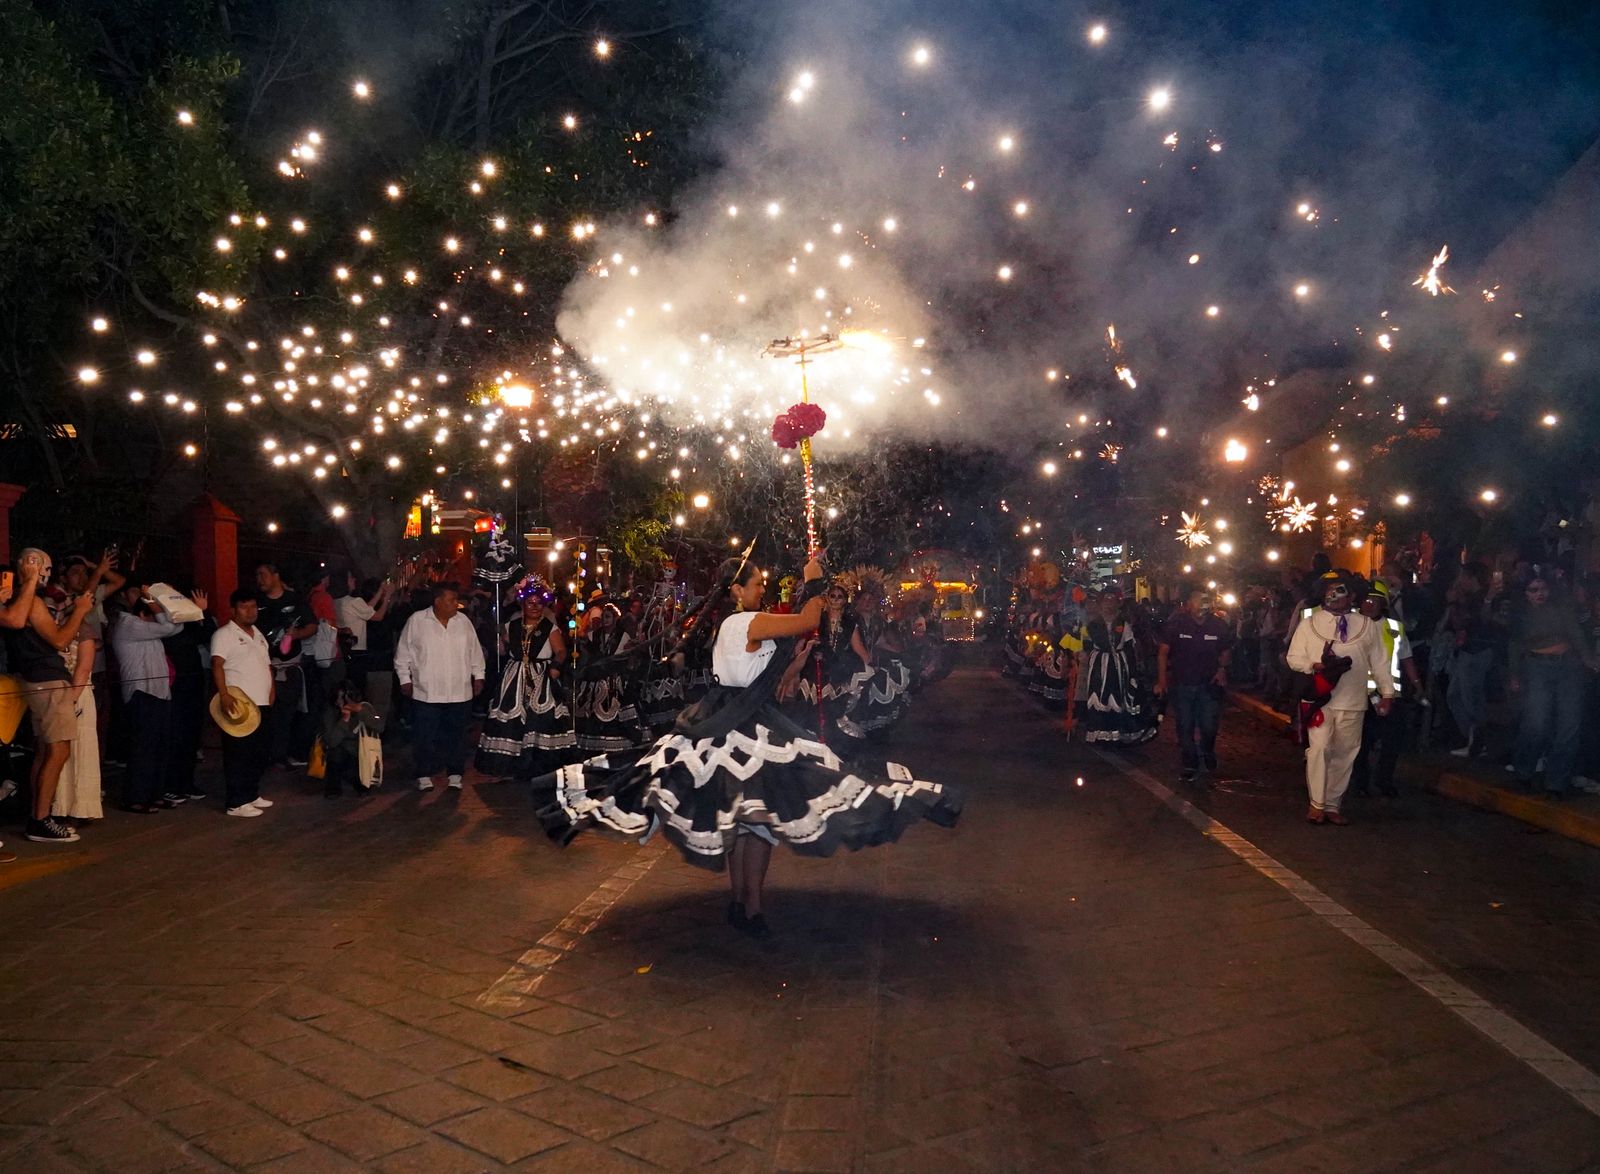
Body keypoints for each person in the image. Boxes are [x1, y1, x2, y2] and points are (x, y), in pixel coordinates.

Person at [535, 553, 962, 938]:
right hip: (736, 722)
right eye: (756, 584)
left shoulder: (745, 626)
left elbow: (774, 674)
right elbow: (810, 617)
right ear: (737, 590)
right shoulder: (743, 621)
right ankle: (749, 906)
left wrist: (798, 658)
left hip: (742, 716)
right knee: (756, 817)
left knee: (747, 817)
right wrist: (813, 580)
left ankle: (743, 903)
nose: (762, 589)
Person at [4, 549, 114, 843]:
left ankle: (37, 815)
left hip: (36, 681)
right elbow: (60, 639)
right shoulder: (28, 601)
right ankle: (40, 820)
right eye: (44, 567)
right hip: (46, 680)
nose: (47, 574)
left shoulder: (22, 600)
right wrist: (79, 611)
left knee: (45, 750)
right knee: (59, 750)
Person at [1287, 572, 1395, 824]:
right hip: (1319, 699)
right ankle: (1317, 804)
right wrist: (1313, 666)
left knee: (1346, 752)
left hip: (1353, 700)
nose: (1334, 595)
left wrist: (1387, 693)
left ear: (1353, 595)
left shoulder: (1367, 625)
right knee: (1320, 749)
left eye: (1340, 590)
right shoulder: (1309, 623)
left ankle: (1333, 804)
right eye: (1330, 590)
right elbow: (1293, 658)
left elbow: (1380, 661)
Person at [109, 582, 209, 813]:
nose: (158, 618)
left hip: (159, 692)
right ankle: (134, 797)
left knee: (160, 747)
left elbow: (172, 627)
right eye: (154, 614)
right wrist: (155, 604)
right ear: (144, 612)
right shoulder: (128, 624)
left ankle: (154, 794)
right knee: (143, 748)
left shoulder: (145, 629)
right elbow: (171, 627)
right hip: (141, 694)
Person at [1507, 576, 1596, 799]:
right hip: (1536, 667)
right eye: (1533, 589)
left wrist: (1588, 659)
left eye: (1543, 588)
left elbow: (1575, 633)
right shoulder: (1520, 615)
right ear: (1524, 593)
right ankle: (1524, 770)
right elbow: (1514, 644)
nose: (1540, 593)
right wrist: (1514, 673)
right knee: (1537, 724)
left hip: (1568, 666)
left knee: (1569, 726)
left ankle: (1556, 783)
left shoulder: (1561, 608)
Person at [476, 578, 574, 780]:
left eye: (539, 603)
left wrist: (555, 667)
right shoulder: (510, 626)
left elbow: (561, 651)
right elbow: (503, 650)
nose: (535, 607)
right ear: (523, 603)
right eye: (531, 603)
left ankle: (538, 766)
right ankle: (509, 765)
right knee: (511, 720)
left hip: (542, 677)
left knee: (541, 720)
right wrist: (499, 643)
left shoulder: (550, 628)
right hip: (514, 677)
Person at [394, 582, 485, 791]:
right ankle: (424, 773)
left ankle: (455, 773)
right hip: (427, 691)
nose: (456, 604)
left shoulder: (463, 622)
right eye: (451, 600)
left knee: (457, 735)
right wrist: (404, 679)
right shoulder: (417, 621)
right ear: (438, 602)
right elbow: (403, 654)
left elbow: (474, 652)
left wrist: (478, 675)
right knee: (424, 735)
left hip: (458, 690)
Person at [1156, 586, 1235, 783]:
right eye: (1198, 601)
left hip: (1209, 686)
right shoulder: (1177, 625)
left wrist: (1221, 669)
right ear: (1190, 605)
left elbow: (1226, 651)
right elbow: (1163, 653)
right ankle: (1190, 763)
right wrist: (1162, 680)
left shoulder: (1218, 625)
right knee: (1185, 726)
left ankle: (1207, 751)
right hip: (1182, 684)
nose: (1202, 605)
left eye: (1205, 601)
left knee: (1209, 726)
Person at [1351, 581, 1422, 798]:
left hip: (1390, 694)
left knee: (1392, 741)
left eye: (1375, 600)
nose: (1369, 604)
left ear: (1383, 604)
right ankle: (1360, 783)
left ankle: (1384, 781)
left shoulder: (1393, 628)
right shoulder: (1351, 626)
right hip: (1359, 695)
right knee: (1361, 742)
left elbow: (1406, 657)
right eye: (1366, 600)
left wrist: (1417, 684)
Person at [211, 589, 275, 817]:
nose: (250, 611)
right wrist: (224, 694)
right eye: (244, 607)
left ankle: (251, 793)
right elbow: (217, 665)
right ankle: (235, 802)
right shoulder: (224, 635)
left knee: (258, 753)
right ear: (233, 609)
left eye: (253, 606)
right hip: (239, 704)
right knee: (238, 754)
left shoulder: (258, 633)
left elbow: (267, 666)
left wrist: (271, 690)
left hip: (261, 702)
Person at [1064, 590, 1158, 745]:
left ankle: (1117, 734)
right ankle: (1101, 734)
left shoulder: (1123, 624)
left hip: (1120, 666)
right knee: (1098, 698)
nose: (1109, 603)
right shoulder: (1092, 624)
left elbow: (1129, 648)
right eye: (1106, 600)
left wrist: (1133, 672)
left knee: (1118, 697)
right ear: (1101, 603)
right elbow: (1084, 646)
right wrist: (1078, 655)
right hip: (1098, 665)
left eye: (1112, 600)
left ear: (1117, 603)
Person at [254, 563, 317, 769]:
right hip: (263, 667)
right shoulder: (257, 602)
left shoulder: (294, 600)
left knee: (287, 713)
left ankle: (282, 755)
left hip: (288, 667)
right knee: (264, 713)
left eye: (263, 575)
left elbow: (312, 625)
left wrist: (296, 634)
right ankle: (264, 754)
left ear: (275, 575)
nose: (260, 580)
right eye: (257, 576)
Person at [1442, 563, 1493, 758]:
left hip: (1475, 652)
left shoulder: (1478, 599)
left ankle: (1478, 744)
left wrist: (1453, 603)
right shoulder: (1470, 598)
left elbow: (1463, 623)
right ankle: (1472, 738)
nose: (1459, 581)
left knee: (1471, 699)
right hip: (1466, 651)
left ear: (1472, 578)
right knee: (1454, 696)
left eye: (1463, 576)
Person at [320, 679, 384, 798]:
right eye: (340, 698)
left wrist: (361, 711)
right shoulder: (330, 712)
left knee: (360, 767)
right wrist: (344, 720)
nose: (343, 701)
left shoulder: (365, 707)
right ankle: (333, 788)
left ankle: (361, 783)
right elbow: (331, 741)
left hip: (361, 752)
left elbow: (380, 726)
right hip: (341, 751)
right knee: (335, 753)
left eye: (345, 697)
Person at [334, 572, 394, 693]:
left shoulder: (338, 601)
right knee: (357, 687)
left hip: (343, 648)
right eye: (351, 578)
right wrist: (388, 595)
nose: (354, 579)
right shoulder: (353, 601)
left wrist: (380, 591)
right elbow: (377, 616)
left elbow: (366, 608)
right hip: (357, 650)